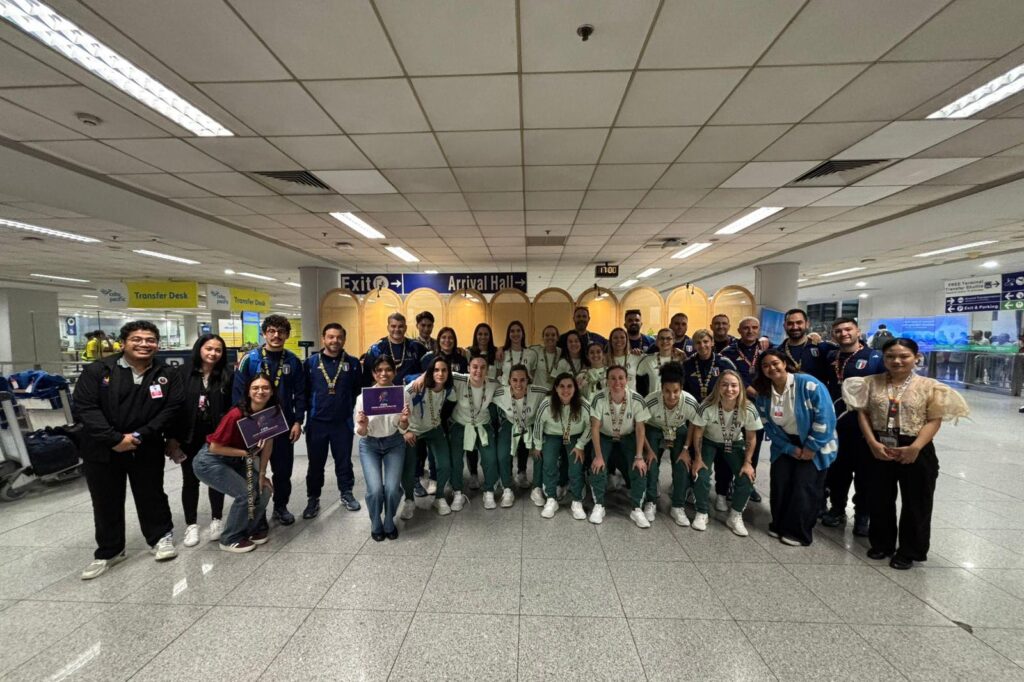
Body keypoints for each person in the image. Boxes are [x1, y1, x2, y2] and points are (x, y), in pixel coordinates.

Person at [843, 338, 968, 570]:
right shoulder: (870, 382)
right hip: (879, 444)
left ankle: (910, 550)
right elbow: (863, 413)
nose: (897, 361)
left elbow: (934, 419)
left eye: (904, 356)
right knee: (879, 498)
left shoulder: (930, 386)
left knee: (916, 501)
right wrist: (872, 442)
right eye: (890, 356)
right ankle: (882, 543)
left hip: (915, 446)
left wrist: (915, 447)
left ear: (916, 358)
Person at [75, 320, 184, 580]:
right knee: (105, 500)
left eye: (150, 340)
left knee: (151, 493)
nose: (144, 344)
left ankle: (160, 537)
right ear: (122, 343)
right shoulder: (98, 371)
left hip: (145, 445)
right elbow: (85, 408)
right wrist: (114, 439)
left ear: (157, 344)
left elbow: (172, 408)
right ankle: (110, 550)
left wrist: (139, 435)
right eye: (137, 339)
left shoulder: (166, 373)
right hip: (102, 448)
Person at [753, 350, 838, 546]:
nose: (771, 368)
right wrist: (790, 449)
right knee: (780, 483)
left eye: (775, 363)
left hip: (816, 442)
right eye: (765, 366)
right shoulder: (764, 393)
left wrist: (811, 447)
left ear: (784, 363)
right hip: (785, 443)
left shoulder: (808, 384)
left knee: (804, 486)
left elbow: (826, 417)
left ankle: (798, 532)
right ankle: (779, 524)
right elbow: (768, 426)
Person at [233, 314, 306, 526]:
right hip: (254, 425)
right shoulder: (250, 359)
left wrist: (298, 421)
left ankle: (281, 507)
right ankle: (259, 513)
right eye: (271, 331)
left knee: (283, 471)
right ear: (264, 334)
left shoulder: (293, 361)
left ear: (287, 335)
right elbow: (238, 394)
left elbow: (300, 394)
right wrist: (244, 424)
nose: (276, 335)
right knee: (255, 471)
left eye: (281, 332)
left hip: (283, 425)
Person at [192, 374, 276, 553]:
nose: (260, 391)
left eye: (265, 388)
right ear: (248, 392)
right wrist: (246, 453)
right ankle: (230, 538)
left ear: (272, 391)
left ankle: (249, 530)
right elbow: (215, 447)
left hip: (237, 459)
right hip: (211, 461)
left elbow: (268, 442)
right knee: (246, 494)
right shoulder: (236, 414)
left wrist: (262, 474)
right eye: (255, 388)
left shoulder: (271, 412)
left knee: (264, 489)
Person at [166, 333, 233, 547]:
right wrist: (172, 439)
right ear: (199, 349)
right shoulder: (182, 373)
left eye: (218, 350)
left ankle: (217, 519)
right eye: (209, 349)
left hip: (216, 437)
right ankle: (191, 524)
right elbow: (173, 407)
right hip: (189, 436)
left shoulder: (227, 374)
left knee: (216, 477)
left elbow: (232, 407)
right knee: (190, 479)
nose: (213, 353)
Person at [820, 317, 884, 535]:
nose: (843, 334)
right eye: (838, 331)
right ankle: (837, 508)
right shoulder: (831, 357)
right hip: (836, 424)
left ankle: (862, 514)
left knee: (865, 473)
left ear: (858, 331)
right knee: (837, 470)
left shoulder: (874, 358)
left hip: (865, 427)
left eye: (848, 329)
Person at [690, 370, 762, 536]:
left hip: (734, 443)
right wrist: (698, 458)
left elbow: (751, 437)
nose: (729, 389)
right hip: (709, 441)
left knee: (746, 477)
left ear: (740, 388)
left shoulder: (748, 408)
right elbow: (698, 433)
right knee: (701, 474)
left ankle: (735, 516)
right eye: (725, 385)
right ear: (718, 387)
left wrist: (748, 462)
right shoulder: (706, 406)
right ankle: (702, 512)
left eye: (734, 385)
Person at [302, 323, 362, 519]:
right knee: (315, 464)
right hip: (317, 422)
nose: (335, 340)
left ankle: (346, 493)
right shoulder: (310, 363)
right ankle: (313, 498)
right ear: (323, 338)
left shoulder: (353, 363)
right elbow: (304, 392)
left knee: (344, 462)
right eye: (331, 337)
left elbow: (357, 391)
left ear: (344, 339)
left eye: (339, 337)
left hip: (342, 422)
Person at [354, 356, 409, 541]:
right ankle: (376, 520)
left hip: (394, 443)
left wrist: (404, 421)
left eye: (388, 369)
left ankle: (389, 519)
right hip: (369, 444)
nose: (384, 373)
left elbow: (404, 428)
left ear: (394, 372)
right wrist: (363, 425)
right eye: (379, 370)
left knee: (392, 489)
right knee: (375, 489)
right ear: (373, 373)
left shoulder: (403, 395)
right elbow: (361, 433)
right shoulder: (363, 398)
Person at [589, 366, 652, 527]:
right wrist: (598, 456)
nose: (617, 382)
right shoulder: (598, 398)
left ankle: (636, 508)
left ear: (627, 380)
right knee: (597, 466)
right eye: (613, 378)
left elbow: (640, 428)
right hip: (605, 436)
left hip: (627, 436)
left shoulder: (637, 399)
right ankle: (599, 505)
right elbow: (594, 428)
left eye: (621, 378)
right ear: (607, 381)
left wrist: (639, 456)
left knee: (639, 467)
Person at [641, 362, 699, 526]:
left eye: (676, 391)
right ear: (661, 388)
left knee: (682, 464)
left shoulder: (690, 402)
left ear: (681, 388)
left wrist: (686, 449)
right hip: (654, 428)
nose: (671, 396)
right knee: (651, 463)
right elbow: (640, 426)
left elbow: (693, 425)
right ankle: (651, 501)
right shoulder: (650, 401)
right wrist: (648, 450)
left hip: (678, 429)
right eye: (667, 391)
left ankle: (678, 505)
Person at [721, 316, 770, 503]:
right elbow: (728, 376)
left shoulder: (767, 350)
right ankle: (727, 484)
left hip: (759, 407)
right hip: (734, 406)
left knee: (753, 447)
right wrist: (750, 391)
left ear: (759, 329)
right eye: (746, 328)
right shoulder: (729, 352)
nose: (750, 331)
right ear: (739, 330)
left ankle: (748, 484)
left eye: (754, 327)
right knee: (730, 446)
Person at [401, 356, 454, 516]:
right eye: (436, 370)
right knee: (409, 467)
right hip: (413, 430)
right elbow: (399, 400)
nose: (440, 373)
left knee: (445, 464)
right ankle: (409, 501)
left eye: (444, 370)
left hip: (434, 428)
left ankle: (439, 497)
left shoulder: (449, 389)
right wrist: (405, 431)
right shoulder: (417, 386)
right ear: (430, 372)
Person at [416, 326, 465, 495]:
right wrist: (422, 376)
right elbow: (423, 377)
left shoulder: (461, 358)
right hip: (431, 406)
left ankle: (449, 477)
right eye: (443, 337)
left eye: (450, 337)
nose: (447, 340)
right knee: (433, 445)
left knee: (449, 445)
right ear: (438, 339)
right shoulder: (429, 357)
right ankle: (434, 478)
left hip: (453, 405)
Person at [492, 364, 548, 509]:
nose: (519, 384)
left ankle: (537, 488)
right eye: (515, 380)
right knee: (502, 454)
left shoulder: (538, 391)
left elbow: (554, 394)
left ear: (528, 380)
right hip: (510, 423)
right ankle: (507, 488)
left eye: (522, 380)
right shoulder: (500, 393)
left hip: (531, 424)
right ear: (509, 381)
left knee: (539, 452)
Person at [448, 355, 499, 510]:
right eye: (475, 367)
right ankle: (457, 492)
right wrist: (420, 379)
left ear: (487, 370)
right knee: (455, 459)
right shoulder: (458, 379)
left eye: (483, 367)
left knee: (490, 458)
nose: (478, 371)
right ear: (468, 368)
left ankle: (489, 491)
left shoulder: (494, 384)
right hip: (460, 424)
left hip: (483, 425)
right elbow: (435, 373)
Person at [363, 312, 426, 385]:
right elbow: (367, 378)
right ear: (388, 327)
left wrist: (422, 377)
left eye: (400, 326)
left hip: (411, 390)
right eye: (393, 326)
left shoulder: (417, 347)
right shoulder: (376, 349)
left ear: (405, 328)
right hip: (385, 391)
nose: (397, 329)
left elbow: (431, 368)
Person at [776, 308, 833, 381]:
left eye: (799, 322)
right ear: (784, 326)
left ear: (807, 324)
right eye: (790, 323)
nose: (795, 327)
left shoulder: (822, 347)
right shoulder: (778, 352)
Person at [637, 328, 687, 395]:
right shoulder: (648, 360)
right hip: (654, 399)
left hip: (674, 398)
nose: (665, 341)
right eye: (662, 338)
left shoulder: (679, 360)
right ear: (657, 341)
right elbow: (637, 381)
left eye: (668, 338)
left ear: (674, 340)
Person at [499, 320, 538, 387]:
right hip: (506, 390)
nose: (515, 333)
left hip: (524, 390)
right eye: (512, 331)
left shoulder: (531, 354)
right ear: (508, 334)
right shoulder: (502, 353)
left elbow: (532, 375)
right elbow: (498, 374)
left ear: (523, 334)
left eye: (518, 331)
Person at [606, 327, 642, 392]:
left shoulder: (636, 358)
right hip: (609, 396)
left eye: (622, 337)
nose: (619, 340)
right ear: (610, 341)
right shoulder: (604, 359)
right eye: (615, 338)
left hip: (631, 397)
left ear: (627, 340)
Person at [531, 325, 562, 390]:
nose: (550, 337)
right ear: (543, 338)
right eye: (547, 335)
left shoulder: (561, 353)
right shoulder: (536, 351)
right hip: (537, 391)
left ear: (557, 338)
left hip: (554, 392)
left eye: (553, 335)